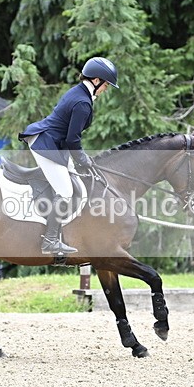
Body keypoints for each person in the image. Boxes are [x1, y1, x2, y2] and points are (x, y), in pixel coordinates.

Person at [18, 57, 118, 255]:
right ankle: (50, 241)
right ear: (96, 81)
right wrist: (83, 159)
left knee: (75, 181)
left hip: (54, 144)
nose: (106, 89)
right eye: (106, 84)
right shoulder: (82, 103)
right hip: (46, 144)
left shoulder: (79, 93)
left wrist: (78, 161)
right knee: (65, 192)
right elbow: (73, 140)